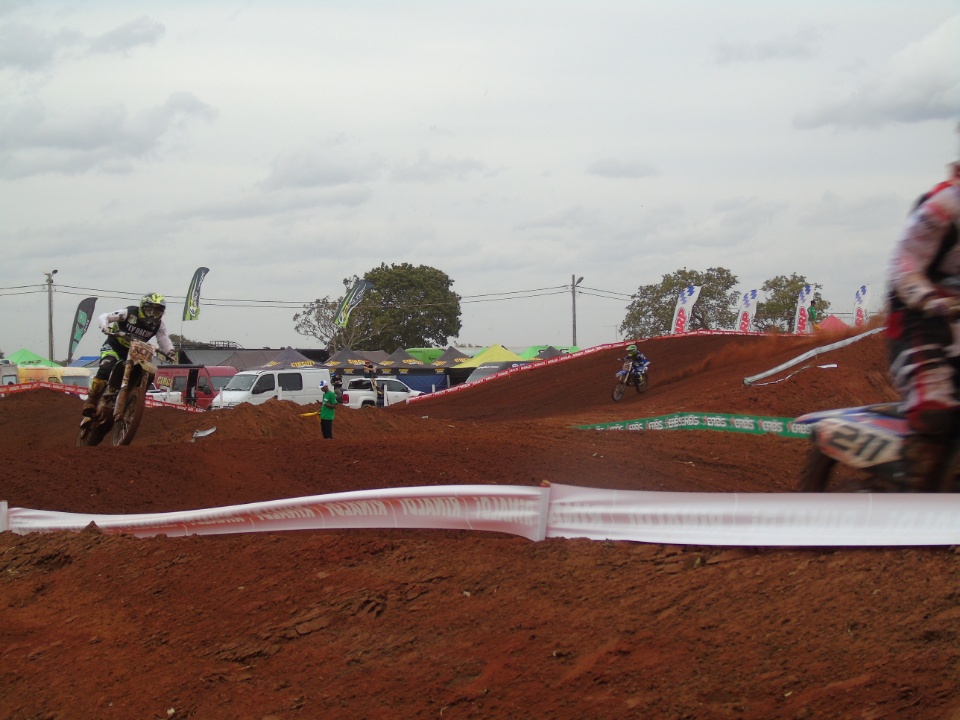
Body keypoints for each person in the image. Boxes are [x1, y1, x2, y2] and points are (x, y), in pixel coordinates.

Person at [887, 160, 960, 490]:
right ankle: (910, 503)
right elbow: (904, 266)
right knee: (934, 413)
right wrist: (932, 299)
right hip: (921, 318)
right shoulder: (943, 207)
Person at [82, 293, 176, 417]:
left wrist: (170, 351)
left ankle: (132, 399)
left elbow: (164, 339)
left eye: (157, 313)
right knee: (106, 368)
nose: (153, 316)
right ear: (142, 308)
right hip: (114, 347)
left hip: (134, 353)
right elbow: (105, 316)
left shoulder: (159, 325)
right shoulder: (129, 313)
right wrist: (105, 326)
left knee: (146, 373)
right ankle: (91, 401)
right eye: (149, 311)